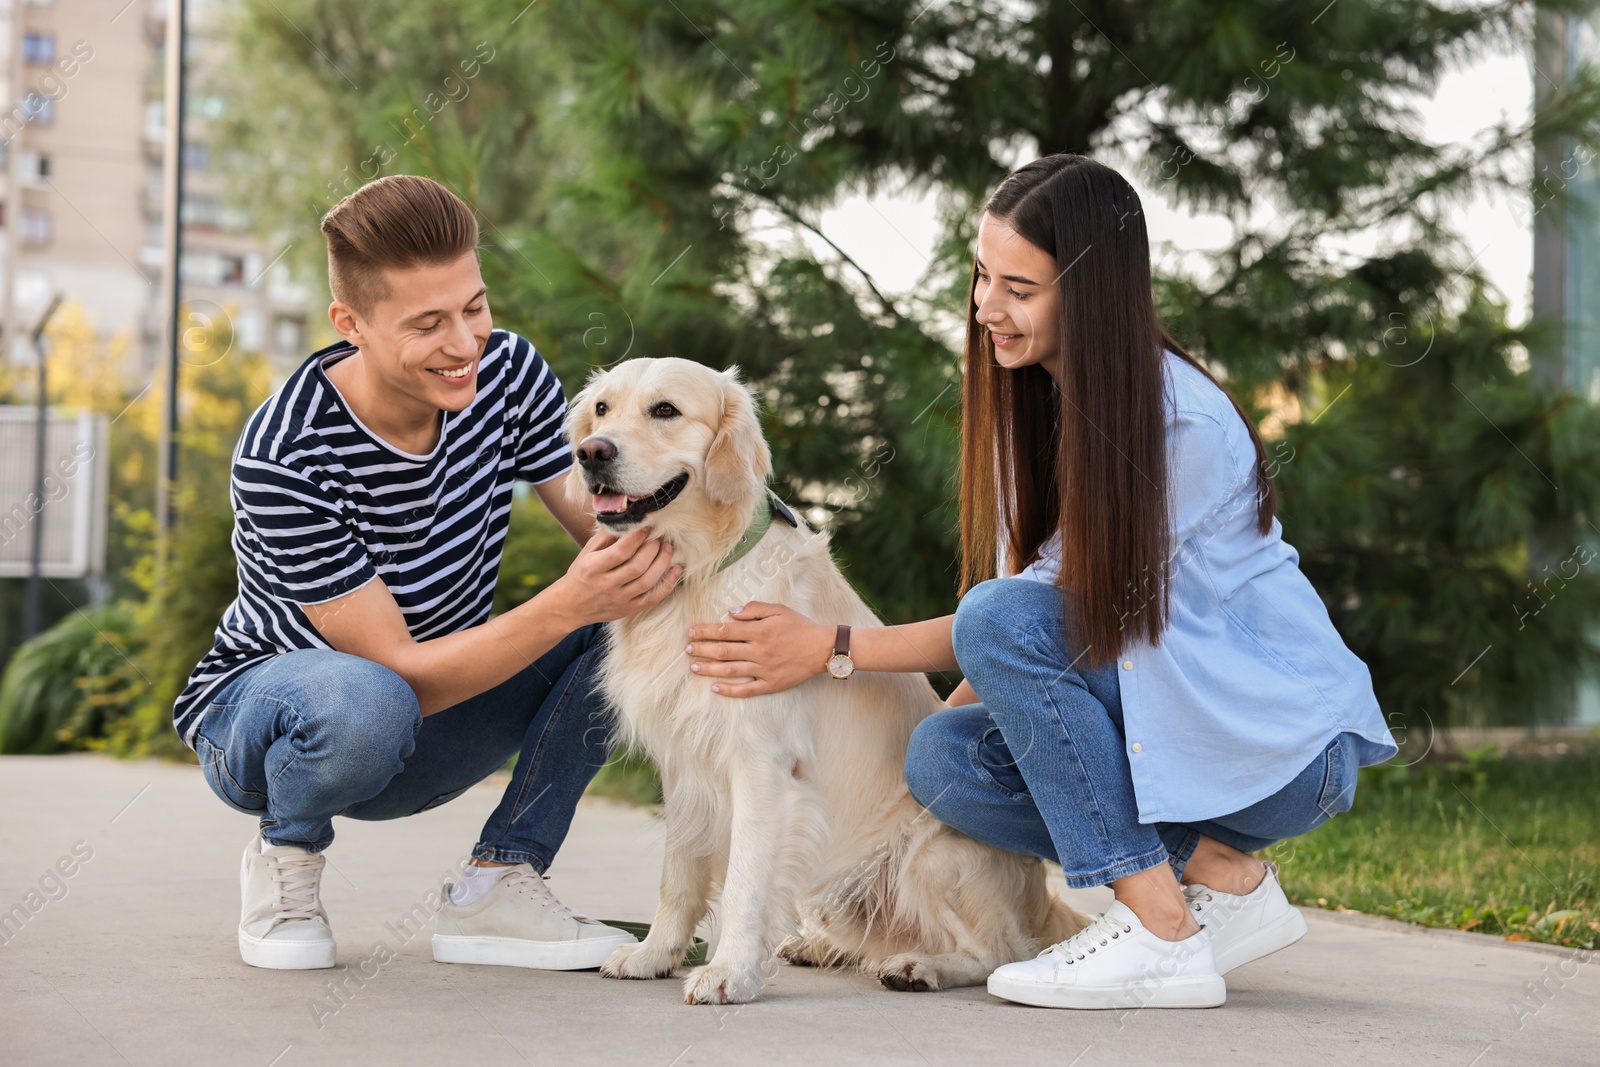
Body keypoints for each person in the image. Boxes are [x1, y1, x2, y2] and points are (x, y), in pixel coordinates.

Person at [680, 154, 1398, 1009]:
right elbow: (1014, 644)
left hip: (1277, 751)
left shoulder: (1178, 425)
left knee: (995, 619)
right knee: (943, 763)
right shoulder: (1037, 410)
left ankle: (1162, 931)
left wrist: (828, 647)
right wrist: (908, 810)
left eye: (1019, 289)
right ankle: (1221, 875)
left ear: (1091, 294)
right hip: (1169, 731)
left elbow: (1028, 618)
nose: (986, 306)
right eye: (983, 276)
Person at [174, 174, 684, 971]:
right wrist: (566, 601)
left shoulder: (505, 374)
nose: (464, 343)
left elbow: (611, 527)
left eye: (474, 306)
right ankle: (287, 859)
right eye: (427, 323)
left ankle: (501, 883)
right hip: (278, 717)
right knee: (365, 696)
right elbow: (400, 673)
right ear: (352, 324)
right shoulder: (287, 455)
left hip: (425, 717)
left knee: (635, 605)